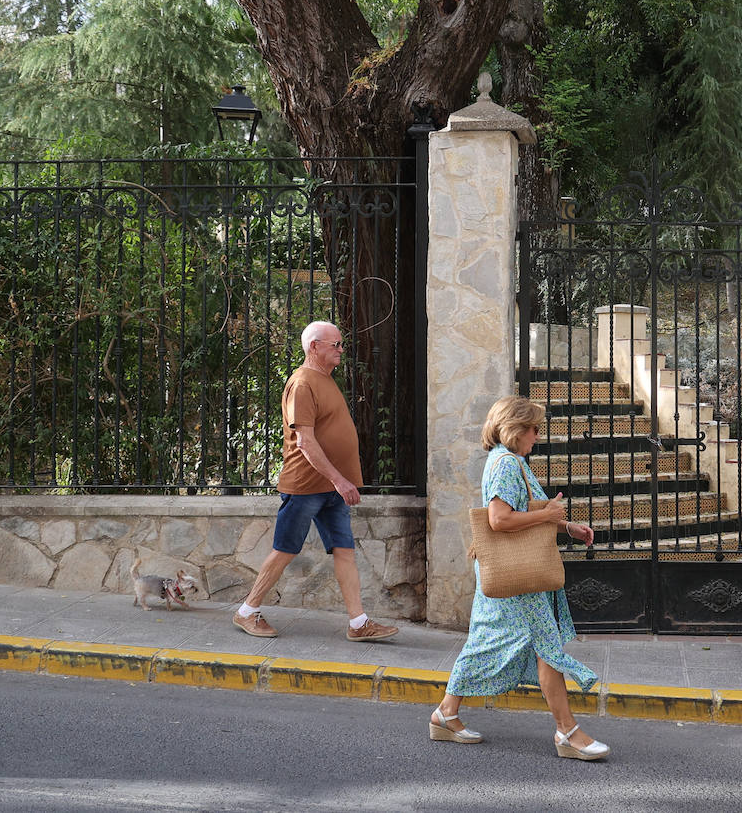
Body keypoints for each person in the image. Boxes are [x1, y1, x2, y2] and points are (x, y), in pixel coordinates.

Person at [428, 395, 608, 760]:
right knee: (547, 649)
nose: (537, 436)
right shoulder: (507, 465)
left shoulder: (508, 462)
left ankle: (446, 713)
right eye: (533, 428)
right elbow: (499, 519)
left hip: (509, 576)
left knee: (485, 644)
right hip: (517, 580)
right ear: (515, 429)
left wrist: (566, 526)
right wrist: (549, 518)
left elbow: (521, 511)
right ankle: (568, 733)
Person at [231, 320, 399, 643]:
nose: (340, 350)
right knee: (284, 550)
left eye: (340, 344)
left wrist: (338, 482)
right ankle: (247, 611)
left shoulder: (325, 380)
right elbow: (305, 442)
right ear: (314, 347)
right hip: (307, 486)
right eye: (334, 344)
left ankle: (358, 622)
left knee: (344, 550)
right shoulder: (302, 383)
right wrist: (340, 480)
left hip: (331, 488)